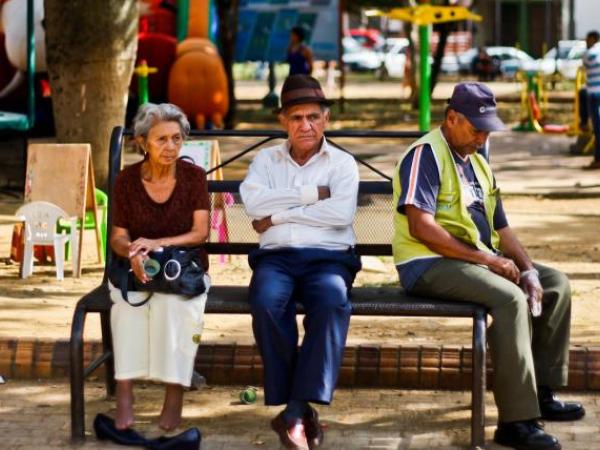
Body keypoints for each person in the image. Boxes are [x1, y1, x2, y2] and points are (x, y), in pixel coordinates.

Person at [392, 82, 585, 450]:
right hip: (428, 263)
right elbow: (421, 226)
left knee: (555, 284)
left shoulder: (478, 162)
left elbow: (502, 228)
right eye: (476, 128)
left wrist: (526, 267)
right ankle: (516, 421)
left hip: (473, 259)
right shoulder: (426, 155)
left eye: (487, 129)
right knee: (510, 298)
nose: (483, 137)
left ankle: (540, 392)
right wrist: (488, 260)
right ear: (451, 118)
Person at [240, 74, 361, 450]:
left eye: (313, 117)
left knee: (332, 301)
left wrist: (278, 216)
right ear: (283, 123)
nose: (305, 125)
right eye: (296, 118)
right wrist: (311, 195)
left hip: (329, 258)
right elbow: (253, 204)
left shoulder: (342, 164)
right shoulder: (265, 160)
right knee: (264, 302)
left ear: (326, 120)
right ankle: (299, 409)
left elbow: (340, 214)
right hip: (276, 258)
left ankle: (293, 410)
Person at [109, 103, 211, 432]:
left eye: (177, 139)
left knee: (174, 307)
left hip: (184, 270)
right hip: (137, 267)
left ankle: (174, 392)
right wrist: (133, 253)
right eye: (161, 140)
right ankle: (124, 392)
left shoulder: (193, 177)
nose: (170, 147)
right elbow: (118, 237)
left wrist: (157, 244)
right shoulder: (126, 180)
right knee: (126, 307)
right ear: (142, 142)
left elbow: (200, 232)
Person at [583, 30, 600, 169]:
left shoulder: (590, 53)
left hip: (594, 94)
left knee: (597, 128)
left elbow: (586, 63)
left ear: (593, 39)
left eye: (587, 39)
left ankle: (598, 159)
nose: (585, 42)